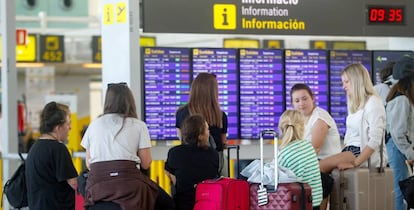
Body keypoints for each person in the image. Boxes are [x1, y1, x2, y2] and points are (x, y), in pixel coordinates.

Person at [81, 82, 174, 210]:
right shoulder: (138, 125)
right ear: (129, 101)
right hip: (130, 186)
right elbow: (146, 163)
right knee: (167, 204)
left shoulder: (94, 125)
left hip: (97, 187)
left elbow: (89, 163)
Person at [319, 63, 386, 172]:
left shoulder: (373, 102)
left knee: (319, 167)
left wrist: (356, 163)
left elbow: (375, 139)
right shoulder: (355, 105)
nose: (343, 86)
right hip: (349, 149)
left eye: (346, 82)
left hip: (360, 152)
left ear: (357, 81)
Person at [290, 83, 341, 209]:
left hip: (324, 165)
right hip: (312, 164)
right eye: (297, 100)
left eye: (304, 98)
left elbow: (314, 150)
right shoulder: (300, 121)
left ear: (313, 98)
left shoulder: (320, 117)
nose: (301, 103)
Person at [25, 101, 78, 210]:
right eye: (68, 124)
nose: (70, 128)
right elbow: (74, 183)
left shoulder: (34, 148)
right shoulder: (58, 149)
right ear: (58, 127)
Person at [175, 73, 228, 174]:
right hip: (214, 166)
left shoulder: (181, 113)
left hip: (187, 164)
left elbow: (182, 139)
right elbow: (223, 142)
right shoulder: (220, 115)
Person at [165, 114, 219, 210]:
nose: (209, 132)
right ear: (200, 136)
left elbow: (170, 175)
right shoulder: (213, 154)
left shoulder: (174, 153)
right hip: (207, 204)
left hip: (182, 204)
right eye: (207, 129)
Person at [277, 109, 323, 210]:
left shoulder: (283, 153)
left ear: (281, 129)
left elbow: (275, 179)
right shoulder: (309, 147)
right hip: (314, 202)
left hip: (296, 203)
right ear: (302, 128)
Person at [385, 56, 414, 210]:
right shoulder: (401, 99)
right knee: (400, 191)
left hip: (399, 148)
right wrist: (410, 154)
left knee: (403, 190)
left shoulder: (401, 98)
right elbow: (397, 132)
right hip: (397, 148)